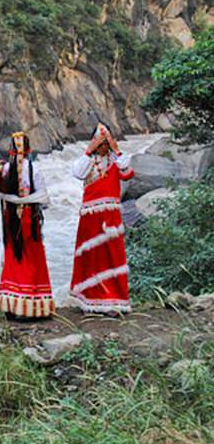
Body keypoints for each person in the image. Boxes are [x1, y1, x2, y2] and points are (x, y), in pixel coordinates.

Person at [0, 132, 54, 319]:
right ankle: (35, 306)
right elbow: (43, 199)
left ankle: (12, 306)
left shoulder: (5, 169)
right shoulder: (35, 169)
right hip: (29, 219)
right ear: (30, 149)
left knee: (14, 259)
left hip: (12, 220)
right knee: (32, 258)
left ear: (11, 150)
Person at [69, 123, 135, 316]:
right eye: (101, 142)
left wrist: (116, 149)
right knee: (92, 257)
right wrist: (89, 150)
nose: (103, 146)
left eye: (106, 142)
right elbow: (77, 173)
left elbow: (127, 172)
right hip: (91, 216)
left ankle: (114, 300)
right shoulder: (88, 161)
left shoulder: (116, 160)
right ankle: (90, 300)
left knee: (112, 256)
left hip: (111, 215)